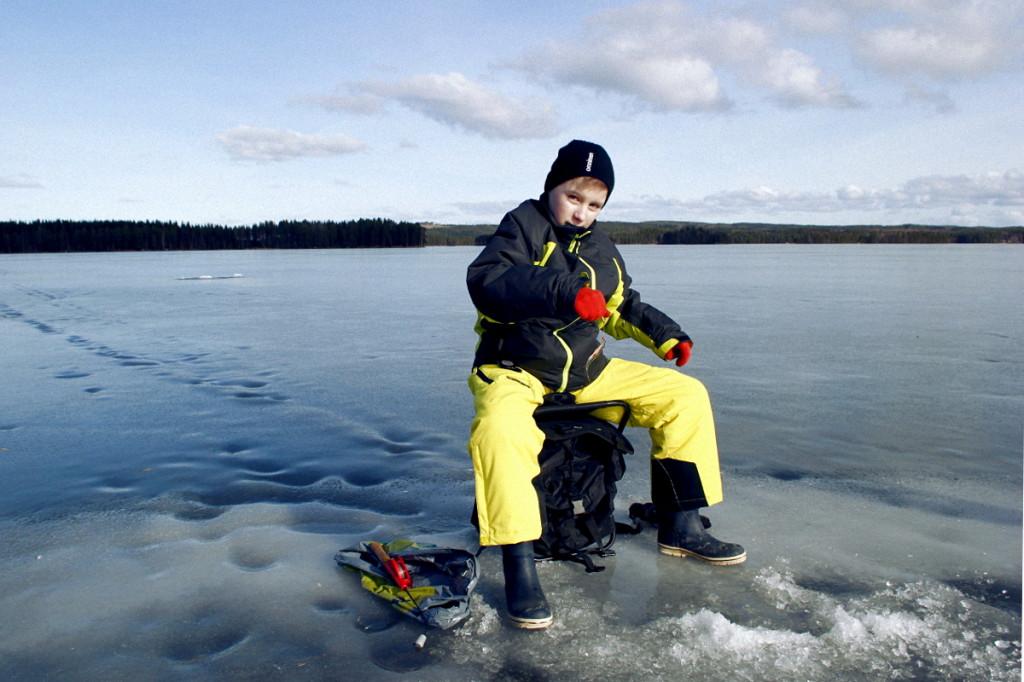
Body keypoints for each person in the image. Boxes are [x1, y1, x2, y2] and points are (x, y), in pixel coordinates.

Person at [466, 139, 745, 629]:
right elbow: (489, 284)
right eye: (574, 198)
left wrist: (666, 335)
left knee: (684, 395)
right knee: (500, 432)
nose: (582, 213)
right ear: (553, 188)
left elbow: (620, 305)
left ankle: (680, 523)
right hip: (517, 367)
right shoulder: (523, 226)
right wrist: (567, 291)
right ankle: (518, 563)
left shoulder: (602, 248)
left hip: (586, 372)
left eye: (595, 204)